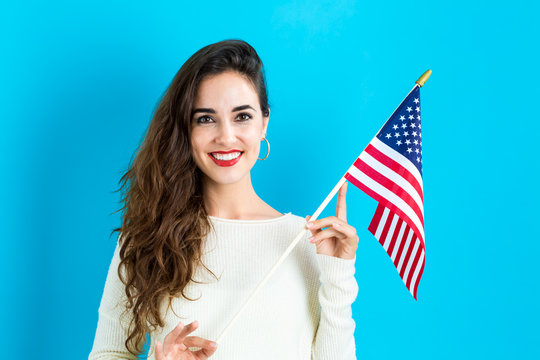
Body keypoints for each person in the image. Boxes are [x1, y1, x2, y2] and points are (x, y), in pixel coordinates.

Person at [88, 39, 359, 360]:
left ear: (264, 122)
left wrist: (339, 273)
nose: (226, 136)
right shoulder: (146, 237)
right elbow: (108, 352)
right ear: (185, 129)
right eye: (205, 118)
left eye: (242, 116)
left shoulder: (308, 242)